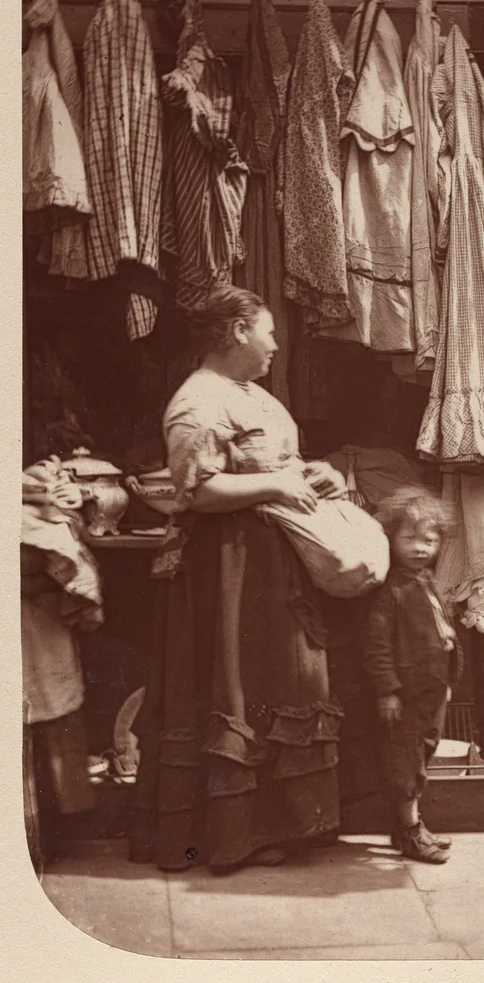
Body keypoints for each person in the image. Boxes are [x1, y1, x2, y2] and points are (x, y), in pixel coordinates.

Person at [130, 285, 356, 874]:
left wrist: (319, 474)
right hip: (225, 569)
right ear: (235, 332)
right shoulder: (198, 401)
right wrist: (276, 487)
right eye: (269, 332)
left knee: (279, 683)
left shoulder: (254, 396)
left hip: (272, 563)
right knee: (234, 688)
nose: (276, 345)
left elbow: (280, 468)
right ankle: (227, 835)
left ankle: (275, 825)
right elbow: (195, 490)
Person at [363, 487, 458, 864]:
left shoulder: (425, 581)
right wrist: (387, 690)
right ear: (390, 537)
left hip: (431, 693)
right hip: (405, 696)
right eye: (411, 538)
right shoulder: (390, 591)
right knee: (406, 764)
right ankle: (409, 830)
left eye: (429, 540)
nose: (421, 547)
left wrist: (448, 683)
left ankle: (409, 827)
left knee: (423, 754)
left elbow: (440, 633)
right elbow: (377, 646)